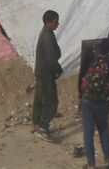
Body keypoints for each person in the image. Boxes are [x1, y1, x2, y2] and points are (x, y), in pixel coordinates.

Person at [79, 37, 109, 169]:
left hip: (87, 99)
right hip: (103, 101)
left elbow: (83, 74)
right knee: (103, 129)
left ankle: (91, 164)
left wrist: (81, 93)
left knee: (88, 132)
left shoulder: (92, 57)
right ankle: (108, 161)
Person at [32, 10, 62, 141]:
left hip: (41, 72)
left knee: (39, 100)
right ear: (48, 22)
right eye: (55, 22)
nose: (57, 24)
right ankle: (43, 128)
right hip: (46, 73)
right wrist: (58, 70)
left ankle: (36, 124)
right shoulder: (47, 36)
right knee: (51, 102)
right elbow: (51, 57)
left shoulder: (47, 33)